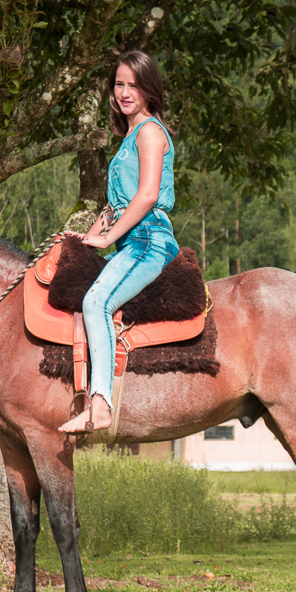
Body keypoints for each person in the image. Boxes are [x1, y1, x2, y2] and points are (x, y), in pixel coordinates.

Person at [58, 51, 179, 433]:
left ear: (149, 89)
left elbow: (145, 197)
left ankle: (101, 406)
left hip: (148, 241)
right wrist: (91, 236)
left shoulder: (148, 131)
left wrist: (107, 237)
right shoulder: (127, 136)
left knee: (96, 302)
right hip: (129, 242)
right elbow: (116, 204)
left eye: (134, 85)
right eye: (119, 84)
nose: (125, 92)